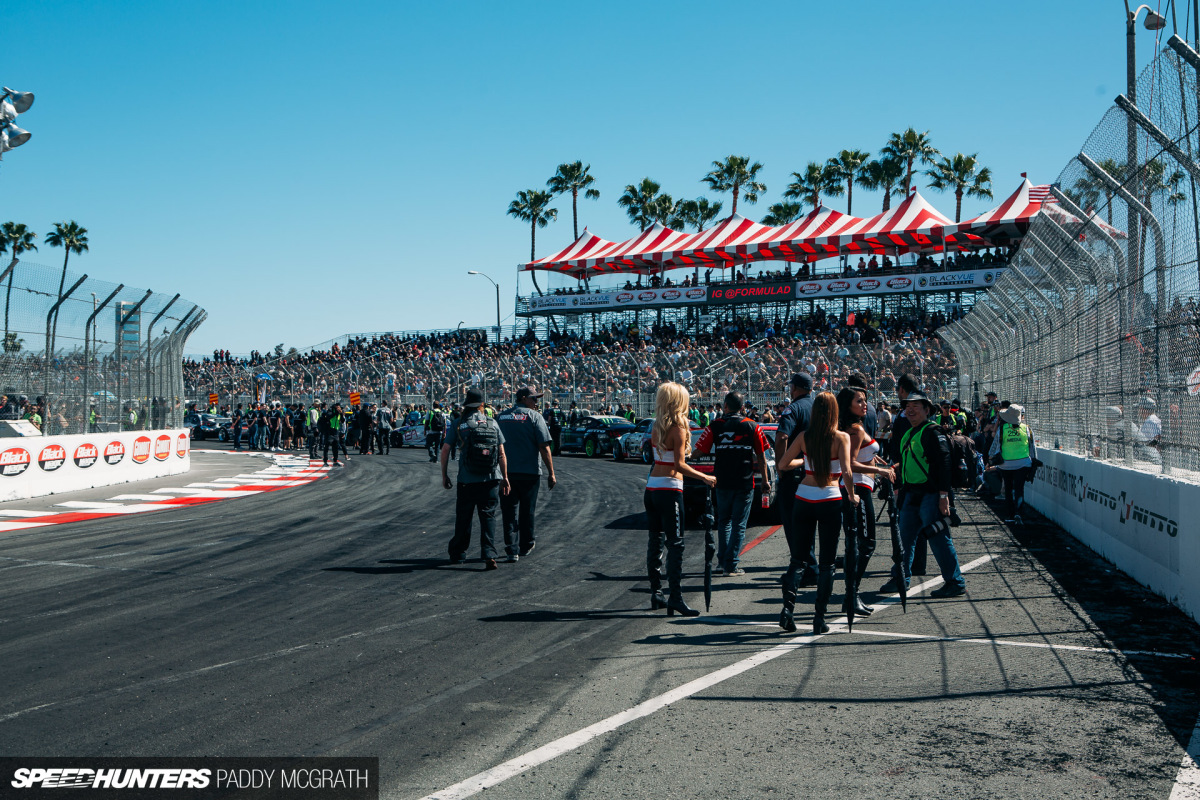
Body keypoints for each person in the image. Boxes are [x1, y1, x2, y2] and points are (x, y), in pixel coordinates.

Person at [776, 391, 858, 634]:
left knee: (797, 559)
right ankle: (818, 618)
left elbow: (782, 464)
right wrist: (852, 496)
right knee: (827, 563)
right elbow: (847, 471)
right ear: (835, 412)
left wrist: (804, 462)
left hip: (804, 496)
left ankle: (788, 611)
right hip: (829, 498)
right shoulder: (841, 437)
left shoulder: (804, 436)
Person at [645, 382, 716, 617]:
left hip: (652, 487)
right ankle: (675, 597)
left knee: (655, 539)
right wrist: (705, 477)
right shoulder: (679, 428)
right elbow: (679, 465)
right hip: (669, 489)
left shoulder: (657, 426)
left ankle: (657, 592)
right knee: (676, 544)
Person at [889, 391, 967, 598]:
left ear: (927, 410)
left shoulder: (933, 431)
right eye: (907, 406)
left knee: (938, 538)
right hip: (912, 494)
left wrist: (943, 496)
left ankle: (955, 581)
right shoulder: (910, 432)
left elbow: (944, 463)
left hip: (931, 495)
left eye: (916, 406)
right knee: (904, 538)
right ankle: (900, 578)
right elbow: (910, 461)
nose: (910, 409)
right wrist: (891, 469)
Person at [694, 391, 768, 578]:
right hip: (744, 482)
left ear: (725, 406)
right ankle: (731, 564)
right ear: (743, 408)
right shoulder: (752, 426)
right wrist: (765, 481)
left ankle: (722, 562)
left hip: (722, 482)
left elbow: (699, 451)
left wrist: (682, 456)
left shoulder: (715, 426)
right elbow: (761, 457)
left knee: (724, 522)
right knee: (739, 525)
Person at [838, 387, 894, 617]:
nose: (864, 405)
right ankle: (851, 596)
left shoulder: (854, 427)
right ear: (848, 405)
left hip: (860, 487)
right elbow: (848, 464)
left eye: (865, 401)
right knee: (865, 544)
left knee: (863, 544)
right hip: (857, 490)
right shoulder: (855, 429)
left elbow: (859, 454)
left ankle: (852, 595)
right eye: (859, 401)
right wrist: (878, 470)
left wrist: (872, 457)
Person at [441, 388, 509, 570]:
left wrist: (444, 474)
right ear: (481, 405)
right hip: (491, 478)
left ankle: (458, 554)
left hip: (467, 479)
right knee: (488, 516)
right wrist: (505, 478)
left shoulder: (459, 424)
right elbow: (502, 453)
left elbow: (446, 450)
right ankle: (489, 553)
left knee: (464, 517)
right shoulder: (492, 423)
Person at [497, 386, 557, 563]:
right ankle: (526, 544)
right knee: (527, 511)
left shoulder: (501, 417)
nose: (536, 402)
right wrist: (551, 473)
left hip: (506, 473)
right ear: (523, 398)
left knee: (508, 511)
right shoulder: (535, 416)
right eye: (534, 398)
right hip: (529, 473)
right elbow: (544, 446)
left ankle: (511, 549)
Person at [774, 372, 816, 588]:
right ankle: (810, 567)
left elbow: (781, 436)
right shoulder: (818, 407)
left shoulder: (794, 408)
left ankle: (805, 569)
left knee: (794, 523)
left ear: (796, 388)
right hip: (815, 470)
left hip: (795, 472)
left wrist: (781, 464)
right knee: (809, 522)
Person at [987, 403, 1037, 522]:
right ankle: (1019, 513)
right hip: (1023, 463)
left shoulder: (1002, 429)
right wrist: (1033, 462)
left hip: (1006, 464)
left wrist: (990, 459)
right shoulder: (1027, 429)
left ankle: (1010, 514)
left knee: (1008, 489)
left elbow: (995, 446)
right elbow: (1032, 448)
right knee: (1019, 489)